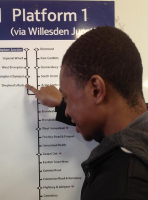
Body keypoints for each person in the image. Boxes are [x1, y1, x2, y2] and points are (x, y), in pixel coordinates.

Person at [26, 26, 148, 200]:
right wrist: (61, 103)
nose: (67, 111)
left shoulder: (122, 187)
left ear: (96, 90)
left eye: (67, 99)